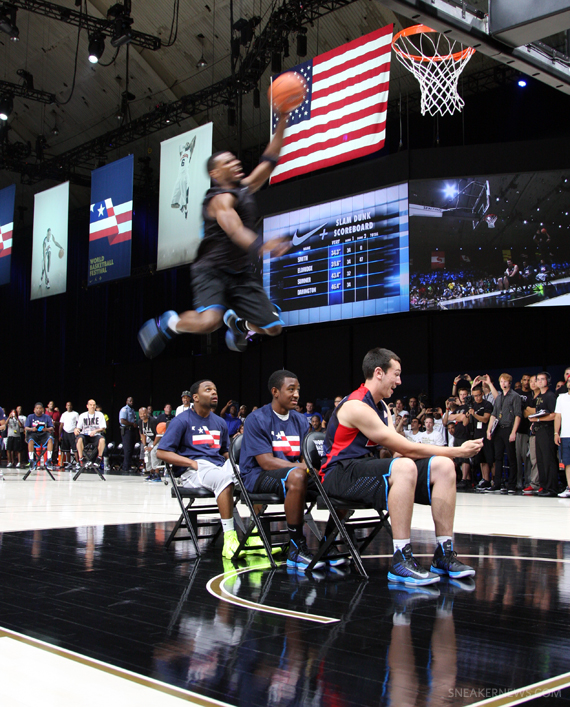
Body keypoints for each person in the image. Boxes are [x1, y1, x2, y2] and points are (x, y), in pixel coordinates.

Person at [321, 348, 482, 586]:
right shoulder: (356, 405)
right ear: (378, 372)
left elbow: (398, 451)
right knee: (406, 466)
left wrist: (445, 458)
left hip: (366, 470)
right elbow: (406, 450)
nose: (399, 381)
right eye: (395, 374)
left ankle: (443, 554)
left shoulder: (382, 407)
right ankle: (400, 559)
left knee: (444, 466)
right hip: (340, 475)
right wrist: (458, 451)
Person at [138, 110, 292, 357]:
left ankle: (239, 325)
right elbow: (234, 229)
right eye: (227, 163)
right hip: (212, 270)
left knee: (273, 328)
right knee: (210, 322)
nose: (236, 163)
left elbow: (269, 160)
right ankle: (170, 323)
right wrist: (261, 245)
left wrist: (282, 119)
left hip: (241, 273)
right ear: (215, 174)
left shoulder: (244, 188)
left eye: (235, 160)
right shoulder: (219, 199)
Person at [240, 370, 344, 572]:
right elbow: (266, 462)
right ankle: (296, 547)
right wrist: (302, 468)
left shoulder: (299, 419)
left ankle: (328, 542)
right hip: (258, 476)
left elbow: (305, 456)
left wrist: (307, 467)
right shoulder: (256, 419)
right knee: (297, 475)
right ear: (275, 392)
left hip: (292, 474)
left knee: (339, 480)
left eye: (298, 389)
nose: (296, 394)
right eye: (291, 389)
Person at [157, 379, 245, 559]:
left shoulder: (220, 422)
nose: (214, 392)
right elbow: (162, 452)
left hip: (217, 466)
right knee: (223, 479)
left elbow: (223, 451)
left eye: (215, 389)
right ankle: (230, 538)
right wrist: (191, 463)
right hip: (194, 470)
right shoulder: (181, 421)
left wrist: (238, 463)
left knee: (251, 473)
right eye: (208, 389)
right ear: (195, 397)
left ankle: (254, 536)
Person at [486, 373, 521, 494]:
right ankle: (497, 483)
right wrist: (488, 429)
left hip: (509, 427)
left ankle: (512, 484)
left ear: (510, 383)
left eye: (505, 382)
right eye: (501, 382)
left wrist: (513, 432)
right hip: (498, 428)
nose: (503, 384)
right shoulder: (499, 397)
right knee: (498, 456)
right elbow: (494, 414)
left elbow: (517, 415)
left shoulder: (515, 396)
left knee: (511, 456)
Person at [531, 372, 559, 497]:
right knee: (540, 460)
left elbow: (554, 414)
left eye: (543, 379)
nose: (540, 381)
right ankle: (544, 485)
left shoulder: (550, 396)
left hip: (547, 430)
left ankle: (551, 487)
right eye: (538, 379)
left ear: (548, 381)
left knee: (548, 460)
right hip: (539, 430)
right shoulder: (538, 397)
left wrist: (537, 420)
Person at [468, 386, 494, 492]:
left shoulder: (487, 404)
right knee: (481, 460)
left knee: (490, 459)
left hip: (486, 434)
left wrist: (474, 414)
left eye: (478, 395)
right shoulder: (472, 405)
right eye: (474, 396)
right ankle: (485, 479)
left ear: (482, 394)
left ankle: (494, 480)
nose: (476, 398)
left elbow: (485, 419)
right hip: (476, 435)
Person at [75, 399, 107, 468]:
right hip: (85, 435)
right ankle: (81, 458)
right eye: (91, 405)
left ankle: (99, 458)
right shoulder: (82, 415)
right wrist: (76, 430)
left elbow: (103, 427)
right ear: (87, 406)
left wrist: (95, 431)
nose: (92, 406)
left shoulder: (100, 414)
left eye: (94, 405)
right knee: (79, 439)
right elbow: (78, 427)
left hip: (95, 435)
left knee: (102, 440)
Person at [25, 403, 55, 469]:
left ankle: (49, 459)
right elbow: (26, 427)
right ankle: (32, 460)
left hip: (44, 434)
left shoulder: (46, 417)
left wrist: (46, 429)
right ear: (34, 410)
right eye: (37, 408)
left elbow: (52, 428)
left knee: (50, 439)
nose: (38, 409)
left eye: (40, 408)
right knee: (30, 440)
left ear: (43, 409)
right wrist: (32, 429)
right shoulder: (30, 416)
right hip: (34, 434)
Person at [555, 375, 570, 498]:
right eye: (569, 381)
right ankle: (569, 488)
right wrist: (556, 432)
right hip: (565, 435)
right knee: (567, 463)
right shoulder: (561, 398)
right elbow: (558, 416)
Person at [138, 406, 158, 479]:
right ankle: (151, 473)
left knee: (153, 452)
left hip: (159, 440)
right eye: (141, 414)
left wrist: (152, 446)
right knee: (146, 453)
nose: (142, 415)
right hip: (151, 440)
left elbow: (158, 435)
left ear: (147, 413)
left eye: (144, 413)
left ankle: (157, 474)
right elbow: (142, 434)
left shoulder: (153, 421)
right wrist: (145, 445)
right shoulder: (140, 422)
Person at [119, 396, 138, 471]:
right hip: (126, 430)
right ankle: (125, 467)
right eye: (130, 401)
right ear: (126, 402)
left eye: (132, 401)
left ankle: (129, 466)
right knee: (127, 449)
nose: (131, 402)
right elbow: (122, 421)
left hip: (132, 431)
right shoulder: (124, 409)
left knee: (131, 449)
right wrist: (132, 424)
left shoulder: (132, 410)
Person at [59, 401, 79, 469]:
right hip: (65, 432)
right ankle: (69, 463)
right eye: (68, 405)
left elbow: (78, 423)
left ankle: (77, 463)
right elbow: (61, 424)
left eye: (70, 405)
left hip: (73, 432)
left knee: (75, 449)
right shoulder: (64, 414)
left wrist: (77, 432)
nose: (69, 406)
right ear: (66, 406)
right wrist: (59, 435)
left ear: (72, 406)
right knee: (66, 449)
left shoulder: (75, 414)